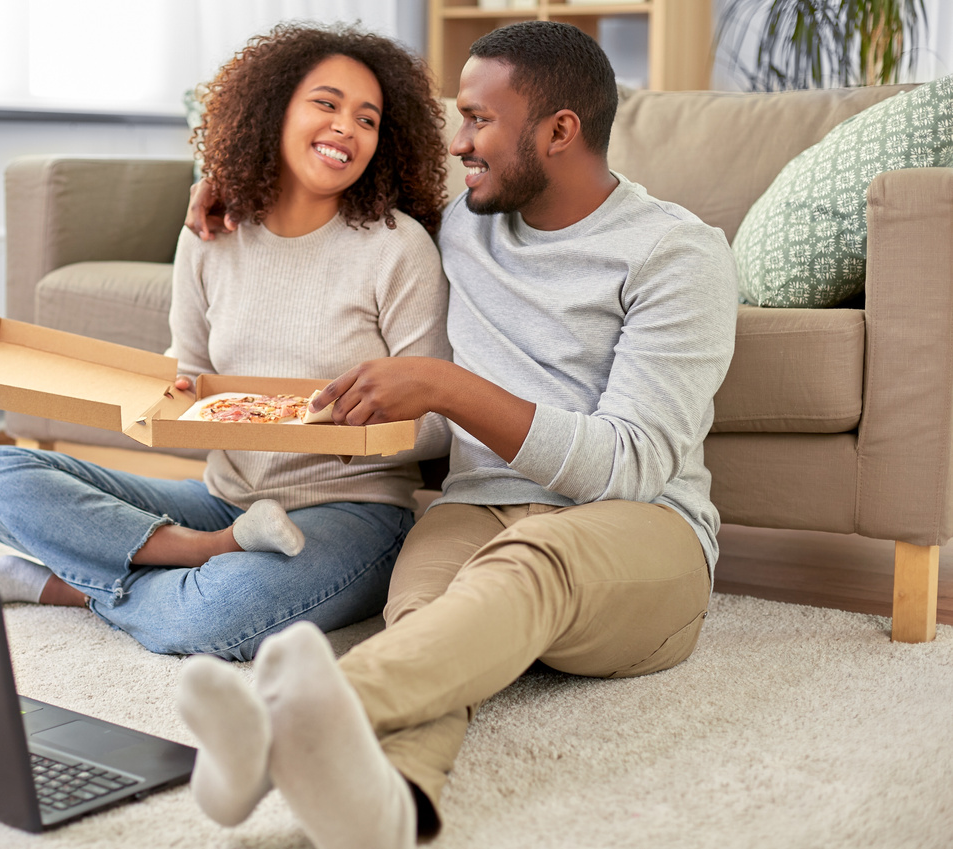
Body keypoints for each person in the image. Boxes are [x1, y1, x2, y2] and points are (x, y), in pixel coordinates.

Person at [175, 20, 739, 848]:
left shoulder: (674, 254)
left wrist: (449, 388)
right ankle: (390, 807)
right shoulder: (467, 223)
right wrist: (224, 183)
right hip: (474, 513)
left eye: (477, 120)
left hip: (643, 530)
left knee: (527, 565)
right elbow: (325, 196)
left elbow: (630, 464)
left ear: (558, 131)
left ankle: (275, 722)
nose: (457, 142)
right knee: (428, 629)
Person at [0, 22, 452, 662]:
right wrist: (172, 397)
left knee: (220, 613)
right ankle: (198, 554)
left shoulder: (398, 249)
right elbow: (187, 371)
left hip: (355, 514)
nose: (345, 129)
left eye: (367, 119)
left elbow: (441, 425)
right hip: (225, 504)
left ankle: (64, 585)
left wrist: (359, 421)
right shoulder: (211, 232)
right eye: (326, 104)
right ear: (273, 110)